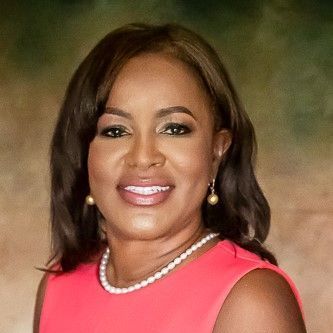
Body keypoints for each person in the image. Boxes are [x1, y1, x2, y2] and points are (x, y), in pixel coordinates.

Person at [33, 23, 306, 332]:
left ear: (217, 151)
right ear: (83, 154)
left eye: (174, 129)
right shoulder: (58, 286)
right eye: (115, 130)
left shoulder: (251, 301)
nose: (143, 156)